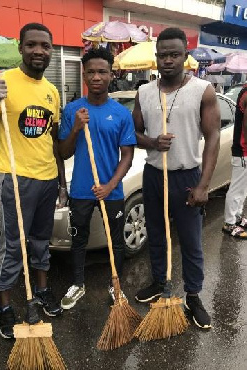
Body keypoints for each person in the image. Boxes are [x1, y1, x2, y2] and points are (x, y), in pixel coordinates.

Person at [0, 23, 66, 339]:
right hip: (17, 178)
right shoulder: (2, 83)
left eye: (45, 46)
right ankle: (5, 308)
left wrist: (62, 183)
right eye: (32, 45)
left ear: (51, 51)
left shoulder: (52, 92)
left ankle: (40, 292)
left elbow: (54, 144)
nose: (39, 51)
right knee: (12, 247)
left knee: (41, 242)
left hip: (48, 179)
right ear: (21, 48)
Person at [132, 27, 220, 329]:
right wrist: (153, 143)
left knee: (192, 241)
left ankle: (193, 295)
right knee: (156, 236)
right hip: (154, 174)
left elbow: (213, 138)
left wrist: (203, 185)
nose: (167, 60)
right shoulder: (144, 91)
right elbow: (135, 134)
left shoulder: (202, 90)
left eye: (174, 54)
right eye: (162, 54)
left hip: (186, 176)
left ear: (185, 56)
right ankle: (159, 281)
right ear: (156, 57)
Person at [58, 47, 136, 309]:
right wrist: (77, 128)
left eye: (102, 71)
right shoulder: (73, 111)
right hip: (80, 189)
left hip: (111, 191)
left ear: (111, 74)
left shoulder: (121, 114)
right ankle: (78, 284)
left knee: (116, 241)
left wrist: (110, 185)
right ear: (84, 75)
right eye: (90, 72)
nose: (96, 77)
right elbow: (64, 152)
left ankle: (116, 287)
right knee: (78, 238)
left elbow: (127, 155)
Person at [222, 84, 247, 239]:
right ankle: (229, 223)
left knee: (243, 189)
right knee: (237, 189)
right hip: (243, 150)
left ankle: (237, 217)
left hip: (244, 150)